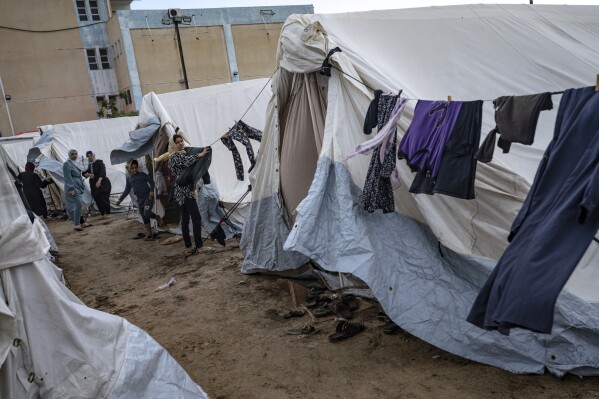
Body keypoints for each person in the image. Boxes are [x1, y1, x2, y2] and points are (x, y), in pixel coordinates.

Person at [168, 133, 210, 256]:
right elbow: (187, 161)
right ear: (173, 144)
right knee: (196, 218)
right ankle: (199, 246)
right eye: (177, 142)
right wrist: (201, 154)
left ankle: (188, 246)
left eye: (181, 141)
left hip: (181, 192)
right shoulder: (175, 156)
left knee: (185, 219)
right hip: (184, 192)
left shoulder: (178, 154)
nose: (181, 143)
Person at [115, 160, 163, 241]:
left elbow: (152, 182)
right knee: (144, 217)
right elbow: (127, 190)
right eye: (132, 168)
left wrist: (151, 191)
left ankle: (157, 217)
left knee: (147, 212)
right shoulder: (129, 179)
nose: (134, 169)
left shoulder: (142, 175)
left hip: (147, 197)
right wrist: (120, 199)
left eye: (136, 167)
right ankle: (150, 234)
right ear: (129, 169)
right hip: (139, 200)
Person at [63, 149, 91, 231]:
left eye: (76, 154)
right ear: (69, 155)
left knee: (79, 204)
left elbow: (80, 174)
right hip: (72, 186)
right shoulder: (67, 164)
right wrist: (71, 188)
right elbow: (67, 177)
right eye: (72, 154)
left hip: (78, 185)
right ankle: (76, 224)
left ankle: (82, 223)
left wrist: (86, 175)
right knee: (78, 203)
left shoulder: (77, 163)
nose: (75, 155)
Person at [83, 150, 112, 219]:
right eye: (88, 156)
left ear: (94, 155)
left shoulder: (99, 162)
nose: (90, 157)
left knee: (104, 198)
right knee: (97, 199)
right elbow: (84, 173)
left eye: (91, 155)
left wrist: (99, 181)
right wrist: (88, 174)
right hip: (93, 184)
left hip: (103, 182)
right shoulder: (88, 165)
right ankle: (102, 214)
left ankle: (108, 213)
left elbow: (103, 172)